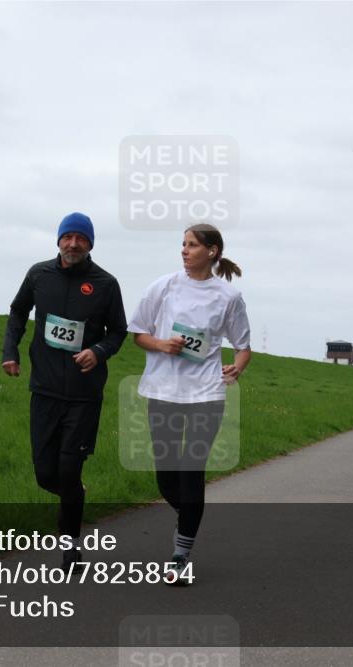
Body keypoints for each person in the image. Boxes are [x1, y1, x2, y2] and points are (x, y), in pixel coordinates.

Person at [1, 212, 128, 568]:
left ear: (90, 244)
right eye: (67, 237)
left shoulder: (105, 283)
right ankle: (74, 498)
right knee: (46, 474)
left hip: (84, 394)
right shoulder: (39, 274)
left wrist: (97, 351)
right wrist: (9, 352)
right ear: (58, 240)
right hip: (44, 390)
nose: (73, 244)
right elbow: (17, 312)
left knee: (69, 469)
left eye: (81, 239)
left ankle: (71, 544)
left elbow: (118, 332)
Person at [127, 223, 251, 585]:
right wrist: (162, 344)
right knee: (167, 479)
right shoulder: (163, 287)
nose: (184, 250)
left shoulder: (228, 297)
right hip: (164, 390)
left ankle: (180, 556)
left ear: (212, 251)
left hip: (206, 393)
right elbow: (137, 333)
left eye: (192, 245)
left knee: (191, 470)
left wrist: (236, 368)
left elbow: (243, 347)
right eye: (182, 244)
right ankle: (190, 516)